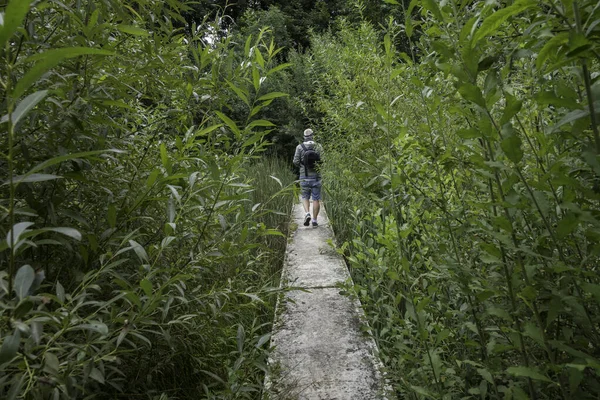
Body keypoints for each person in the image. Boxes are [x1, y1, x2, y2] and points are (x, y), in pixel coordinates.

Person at [293, 128, 323, 227]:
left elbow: (295, 162)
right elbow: (323, 160)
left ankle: (307, 214)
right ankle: (314, 220)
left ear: (304, 137)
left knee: (305, 197)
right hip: (316, 177)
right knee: (316, 199)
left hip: (304, 177)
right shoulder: (318, 146)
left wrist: (302, 166)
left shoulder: (299, 147)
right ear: (313, 136)